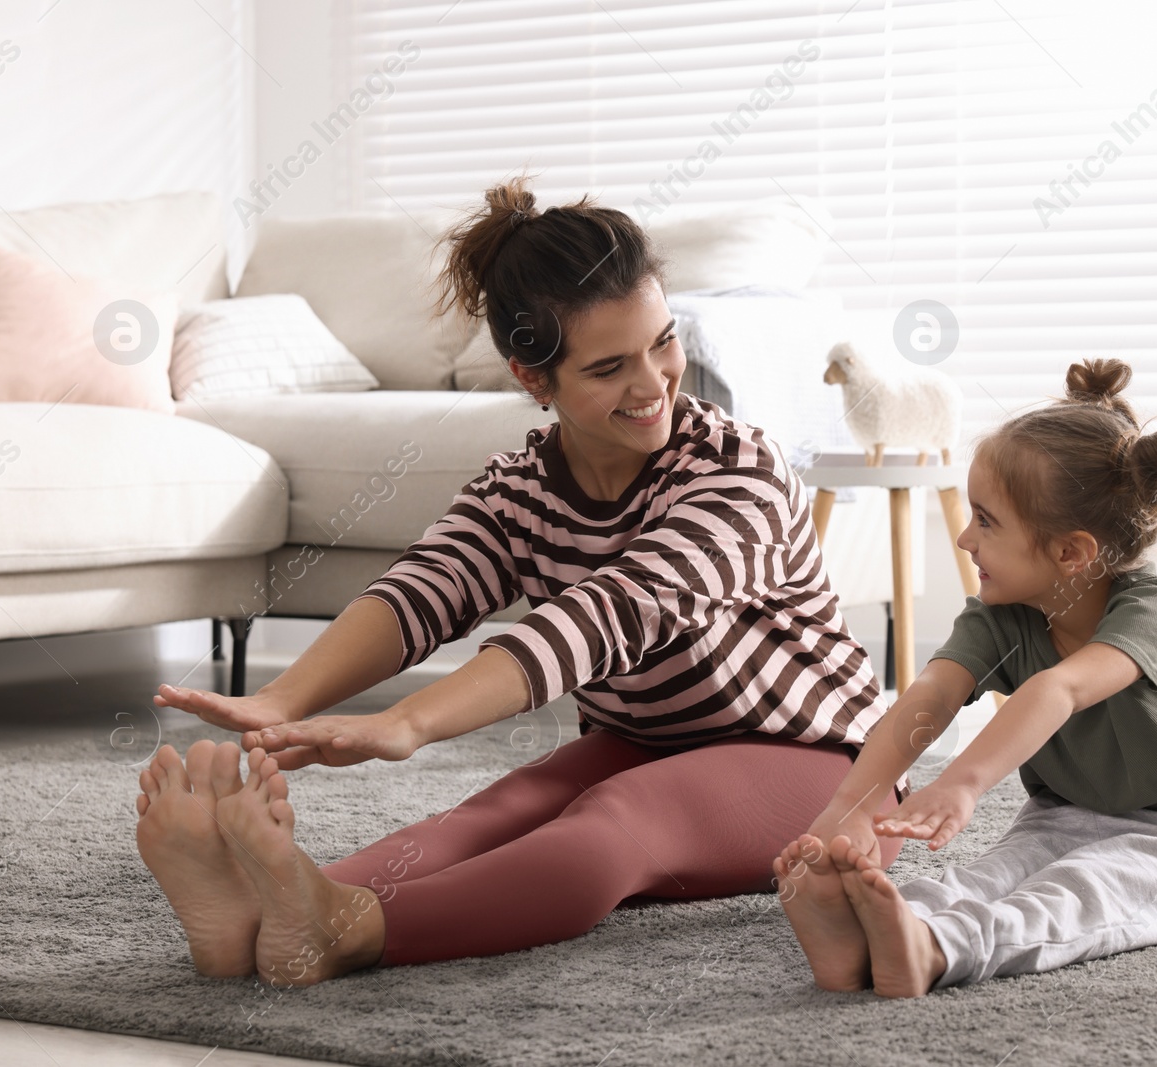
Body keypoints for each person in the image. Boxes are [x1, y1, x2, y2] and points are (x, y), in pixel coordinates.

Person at [135, 175, 909, 986]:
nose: (653, 384)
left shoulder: (736, 470)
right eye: (609, 366)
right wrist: (283, 700)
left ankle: (345, 929)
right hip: (648, 743)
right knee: (491, 816)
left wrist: (410, 722)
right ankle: (260, 920)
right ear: (534, 380)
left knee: (617, 820)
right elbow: (421, 592)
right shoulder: (519, 487)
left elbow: (608, 614)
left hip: (825, 764)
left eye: (663, 341)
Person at [773, 357, 1157, 997]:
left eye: (985, 520)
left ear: (1070, 552)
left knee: (1081, 895)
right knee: (982, 879)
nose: (963, 538)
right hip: (1065, 812)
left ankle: (933, 951)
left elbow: (1057, 690)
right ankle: (861, 936)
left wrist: (962, 784)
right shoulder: (1002, 617)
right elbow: (932, 696)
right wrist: (850, 808)